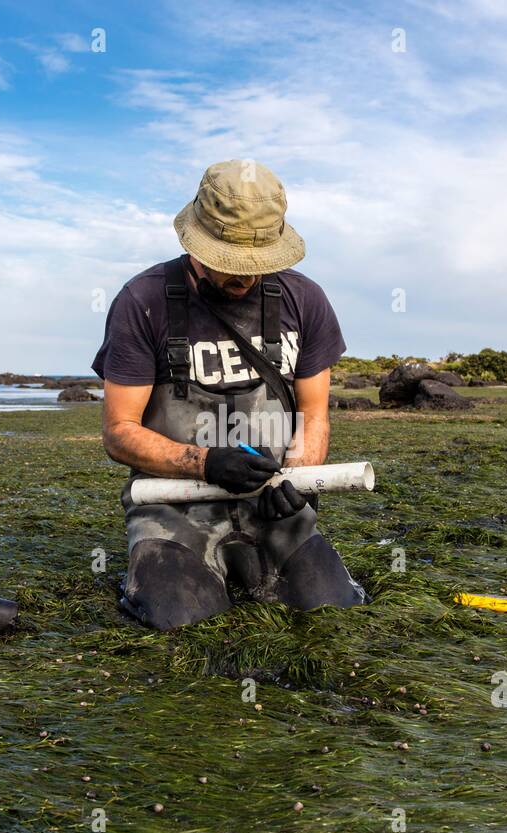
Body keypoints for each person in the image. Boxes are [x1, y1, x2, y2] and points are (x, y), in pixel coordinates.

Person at [92, 160, 367, 629]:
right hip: (176, 506)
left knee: (333, 615)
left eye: (258, 265)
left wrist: (295, 481)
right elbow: (119, 432)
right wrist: (205, 462)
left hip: (271, 504)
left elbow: (315, 416)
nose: (245, 278)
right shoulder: (143, 302)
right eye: (229, 264)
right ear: (196, 240)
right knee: (178, 621)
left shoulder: (306, 301)